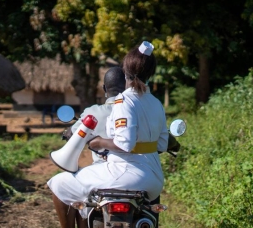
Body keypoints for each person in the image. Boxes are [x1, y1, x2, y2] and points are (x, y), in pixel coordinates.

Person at [47, 41, 168, 228]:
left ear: (126, 71)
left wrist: (98, 142)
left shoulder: (124, 101)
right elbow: (161, 145)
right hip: (153, 180)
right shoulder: (156, 103)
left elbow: (125, 144)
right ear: (150, 74)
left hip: (124, 173)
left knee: (58, 182)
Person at [48, 66, 126, 228]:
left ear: (104, 89)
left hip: (101, 175)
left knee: (61, 186)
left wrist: (70, 132)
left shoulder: (94, 112)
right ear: (127, 87)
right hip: (135, 175)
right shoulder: (137, 112)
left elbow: (74, 133)